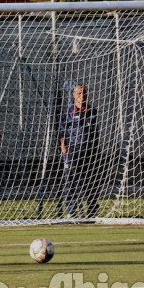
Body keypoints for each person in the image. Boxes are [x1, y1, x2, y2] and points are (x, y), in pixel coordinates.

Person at [59, 83, 99, 218]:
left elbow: (94, 131)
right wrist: (63, 147)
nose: (82, 96)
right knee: (70, 180)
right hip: (72, 150)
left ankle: (92, 211)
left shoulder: (92, 111)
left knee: (91, 181)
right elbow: (61, 131)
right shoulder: (68, 112)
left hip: (89, 151)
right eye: (79, 93)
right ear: (73, 95)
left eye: (84, 93)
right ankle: (71, 212)